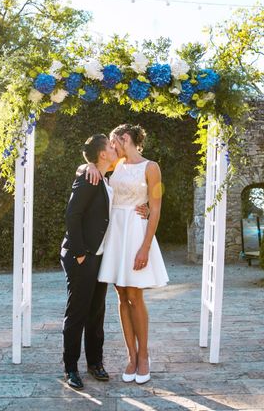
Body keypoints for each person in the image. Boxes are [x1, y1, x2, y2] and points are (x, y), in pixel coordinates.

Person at [60, 133, 148, 389]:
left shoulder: (105, 179)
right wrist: (79, 254)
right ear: (102, 155)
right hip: (82, 257)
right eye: (111, 146)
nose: (115, 148)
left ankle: (95, 363)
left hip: (99, 258)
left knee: (96, 313)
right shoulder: (88, 179)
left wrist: (147, 208)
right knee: (77, 313)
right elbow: (72, 216)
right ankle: (70, 368)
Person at [87, 124, 169, 385]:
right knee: (121, 294)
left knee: (135, 295)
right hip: (115, 231)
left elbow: (154, 209)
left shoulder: (151, 167)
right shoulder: (117, 163)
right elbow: (96, 166)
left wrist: (145, 246)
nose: (111, 147)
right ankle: (130, 356)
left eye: (114, 141)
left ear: (124, 138)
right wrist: (87, 166)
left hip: (136, 231)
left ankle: (144, 356)